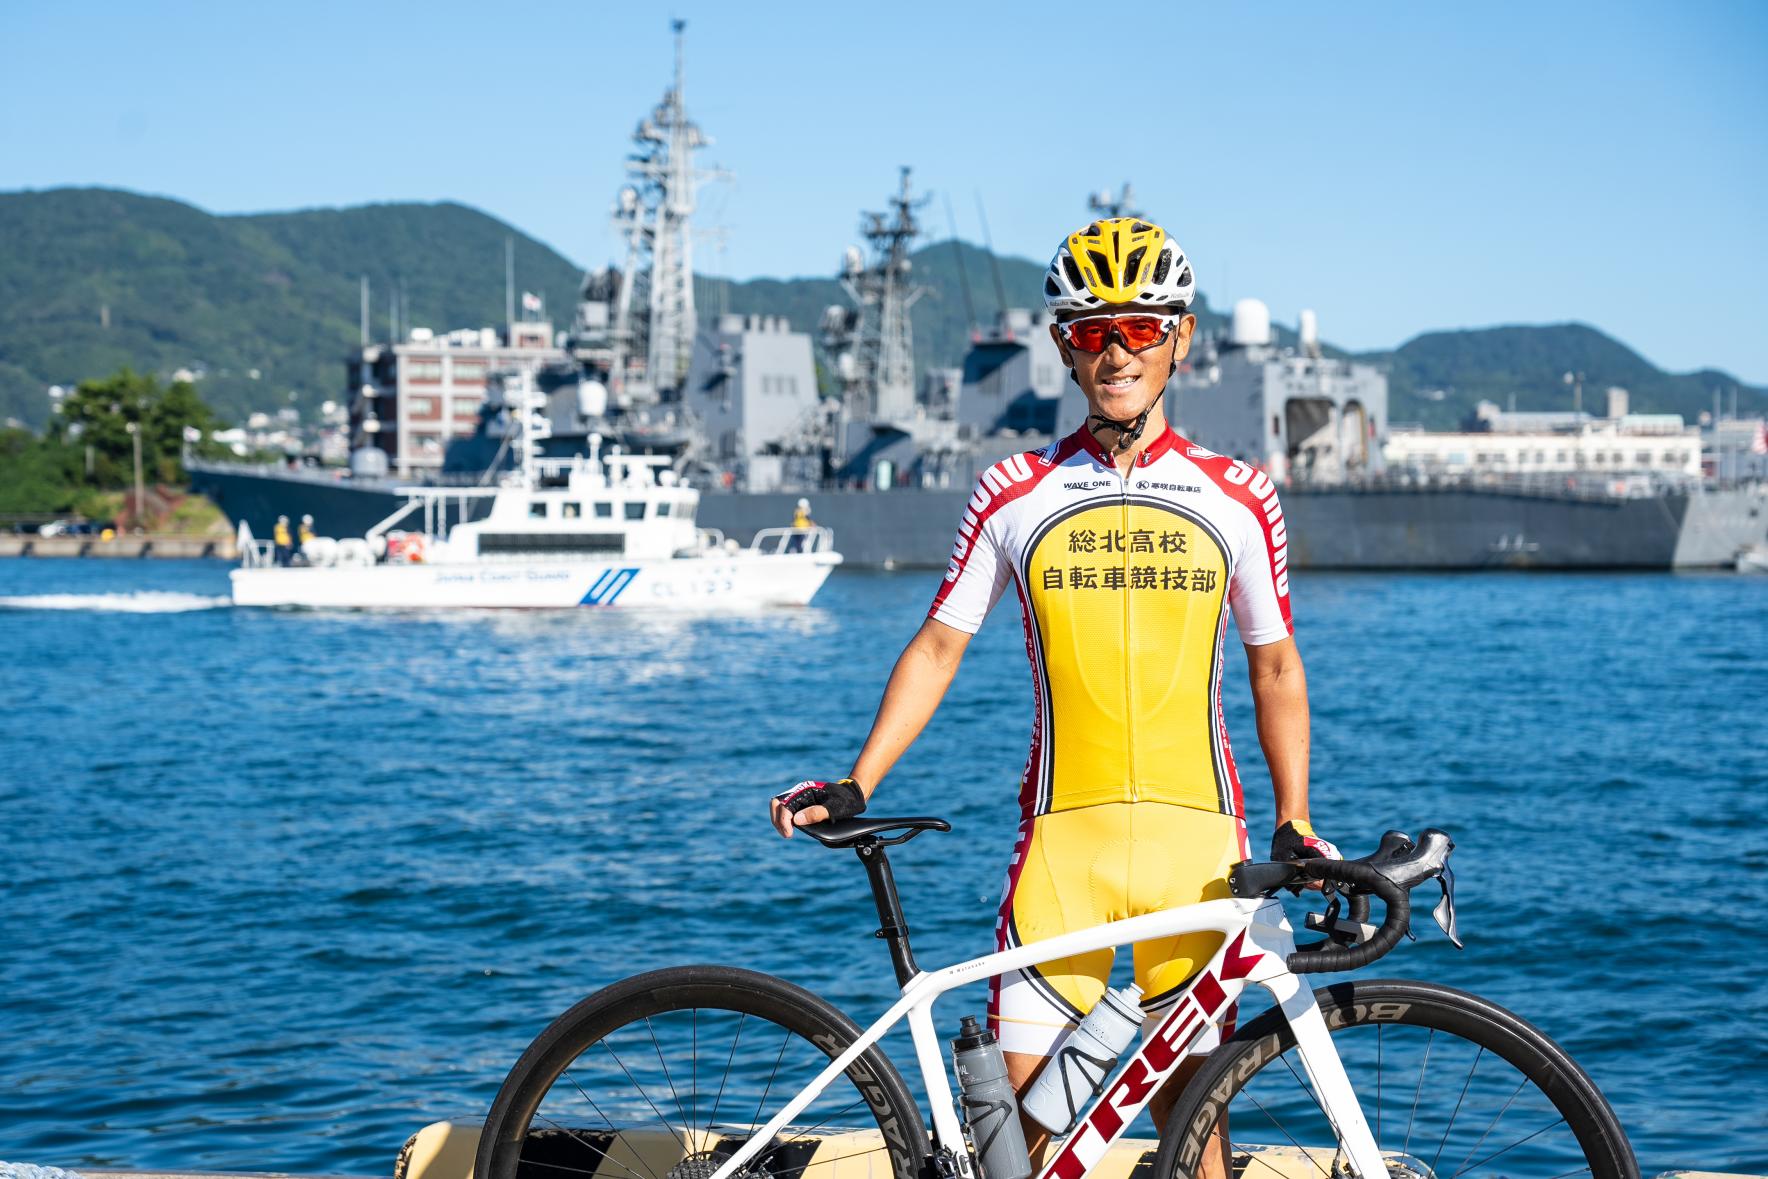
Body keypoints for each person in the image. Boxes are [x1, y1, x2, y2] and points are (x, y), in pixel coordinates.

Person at [770, 217, 1340, 1174]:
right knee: (1023, 1151)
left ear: (1181, 339)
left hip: (1197, 848)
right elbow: (941, 644)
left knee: (1196, 1139)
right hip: (1060, 850)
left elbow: (1274, 665)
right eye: (1089, 331)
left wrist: (1293, 820)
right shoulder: (1016, 490)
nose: (1115, 352)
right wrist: (859, 781)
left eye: (1139, 327)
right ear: (1061, 347)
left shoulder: (1241, 496)